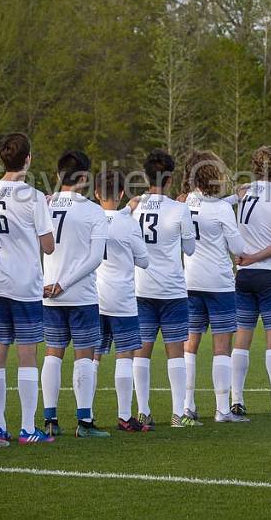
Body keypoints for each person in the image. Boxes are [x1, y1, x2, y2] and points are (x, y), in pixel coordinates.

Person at [0, 133, 56, 445]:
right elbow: (48, 247)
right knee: (27, 357)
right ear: (28, 159)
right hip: (24, 284)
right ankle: (27, 428)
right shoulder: (35, 197)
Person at [41, 150, 110, 438]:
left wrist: (51, 281)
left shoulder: (44, 206)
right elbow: (95, 258)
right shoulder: (93, 210)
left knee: (52, 355)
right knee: (83, 357)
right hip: (79, 294)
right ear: (84, 178)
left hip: (48, 292)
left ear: (58, 175)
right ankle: (84, 422)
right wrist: (66, 283)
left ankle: (50, 420)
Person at [228, 146, 271, 419]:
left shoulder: (242, 192)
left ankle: (236, 400)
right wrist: (256, 257)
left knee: (242, 339)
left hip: (243, 275)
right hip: (269, 275)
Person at [131, 149, 199, 428]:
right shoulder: (179, 209)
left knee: (141, 352)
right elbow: (190, 248)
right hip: (171, 290)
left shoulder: (135, 206)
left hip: (141, 288)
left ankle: (143, 411)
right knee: (175, 353)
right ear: (170, 179)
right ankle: (177, 413)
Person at [181, 151, 249, 423]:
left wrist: (234, 198)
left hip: (190, 281)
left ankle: (187, 405)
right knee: (221, 347)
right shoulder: (220, 209)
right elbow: (238, 248)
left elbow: (207, 205)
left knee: (190, 344)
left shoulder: (187, 201)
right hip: (219, 283)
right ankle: (222, 410)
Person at [93, 169, 152, 432]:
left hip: (93, 297)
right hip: (122, 299)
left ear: (95, 193)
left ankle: (86, 415)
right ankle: (125, 416)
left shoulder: (88, 218)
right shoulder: (128, 223)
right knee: (124, 356)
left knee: (91, 358)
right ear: (120, 193)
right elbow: (144, 260)